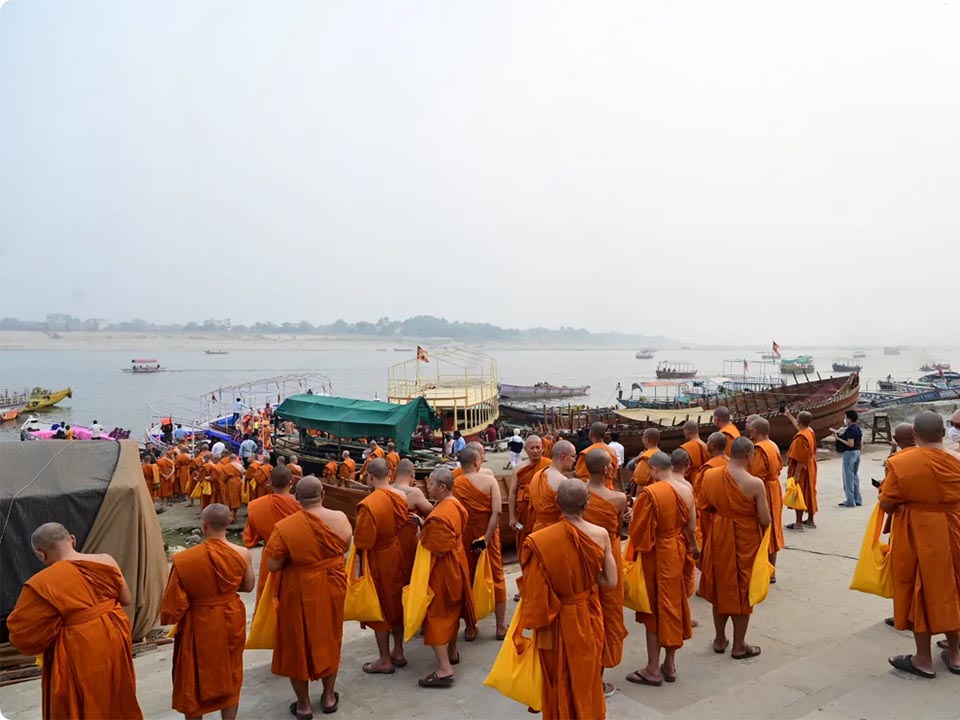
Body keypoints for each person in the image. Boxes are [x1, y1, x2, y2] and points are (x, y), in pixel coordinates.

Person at [7, 523, 143, 720]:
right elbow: (126, 599)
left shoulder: (41, 583)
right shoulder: (106, 561)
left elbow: (20, 634)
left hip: (79, 646)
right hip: (113, 638)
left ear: (41, 554)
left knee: (85, 699)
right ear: (73, 539)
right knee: (116, 692)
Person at [518, 479, 617, 720]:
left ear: (556, 503)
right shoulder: (600, 534)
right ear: (588, 504)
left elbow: (532, 590)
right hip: (587, 612)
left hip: (556, 619)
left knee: (558, 676)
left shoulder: (540, 540)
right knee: (587, 673)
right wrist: (586, 585)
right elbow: (611, 582)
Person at [879, 410, 960, 679]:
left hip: (918, 534)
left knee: (920, 590)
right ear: (945, 433)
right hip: (954, 531)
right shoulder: (957, 460)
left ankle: (923, 659)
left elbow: (887, 501)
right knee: (955, 587)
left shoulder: (902, 462)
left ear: (915, 434)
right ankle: (956, 654)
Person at [267, 476, 352, 717]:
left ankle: (303, 705)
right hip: (331, 585)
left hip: (299, 589)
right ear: (323, 493)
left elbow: (273, 565)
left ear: (296, 496)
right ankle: (328, 697)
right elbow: (344, 547)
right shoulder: (340, 518)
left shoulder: (285, 527)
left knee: (297, 644)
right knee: (330, 637)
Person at [161, 504, 254, 720]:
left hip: (199, 622)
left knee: (194, 674)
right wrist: (224, 590)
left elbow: (174, 606)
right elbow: (248, 586)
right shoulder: (242, 553)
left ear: (204, 526)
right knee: (231, 671)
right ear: (230, 522)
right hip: (231, 617)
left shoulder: (185, 560)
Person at [627, 452, 697, 686]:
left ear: (655, 470)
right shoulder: (686, 488)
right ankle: (670, 663)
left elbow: (639, 534)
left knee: (655, 610)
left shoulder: (651, 493)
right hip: (676, 549)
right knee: (673, 604)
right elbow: (691, 526)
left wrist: (631, 518)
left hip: (657, 553)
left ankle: (652, 669)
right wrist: (694, 549)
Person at [697, 438, 771, 659]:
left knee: (721, 587)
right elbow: (765, 519)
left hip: (719, 535)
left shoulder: (710, 475)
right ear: (749, 454)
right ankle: (739, 645)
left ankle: (720, 639)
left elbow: (705, 505)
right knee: (742, 590)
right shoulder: (755, 484)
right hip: (744, 539)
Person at [417, 468, 477, 688]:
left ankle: (444, 669)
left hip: (444, 569)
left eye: (431, 483)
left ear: (442, 487)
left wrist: (421, 535)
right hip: (458, 563)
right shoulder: (456, 505)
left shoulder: (440, 514)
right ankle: (452, 652)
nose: (428, 486)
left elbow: (438, 548)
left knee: (436, 614)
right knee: (452, 610)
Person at [354, 458, 410, 674]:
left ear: (369, 476)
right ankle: (398, 651)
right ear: (390, 474)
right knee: (397, 603)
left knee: (381, 609)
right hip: (397, 553)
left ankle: (384, 659)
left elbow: (363, 542)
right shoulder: (401, 496)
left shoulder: (369, 504)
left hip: (378, 558)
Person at [582, 449, 628, 697]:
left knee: (587, 615)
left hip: (583, 556)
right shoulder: (618, 498)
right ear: (608, 470)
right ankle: (597, 679)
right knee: (607, 615)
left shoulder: (578, 493)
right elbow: (618, 527)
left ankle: (584, 673)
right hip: (608, 555)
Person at [452, 446, 507, 640]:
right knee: (497, 576)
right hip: (487, 534)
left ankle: (470, 628)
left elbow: (453, 511)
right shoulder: (490, 480)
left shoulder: (456, 482)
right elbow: (497, 512)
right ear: (477, 462)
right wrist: (487, 538)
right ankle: (500, 627)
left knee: (467, 577)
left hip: (466, 536)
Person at [243, 464, 301, 607]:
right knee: (293, 602)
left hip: (270, 557)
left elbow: (249, 540)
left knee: (267, 600)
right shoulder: (300, 506)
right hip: (296, 557)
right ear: (291, 482)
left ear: (269, 482)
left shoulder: (256, 506)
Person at [748, 417, 785, 579]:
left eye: (751, 430)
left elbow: (755, 474)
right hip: (775, 488)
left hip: (764, 490)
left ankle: (763, 571)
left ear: (755, 431)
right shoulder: (773, 445)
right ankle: (772, 571)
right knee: (774, 528)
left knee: (762, 529)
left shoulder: (759, 449)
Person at [507, 434, 551, 556]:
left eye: (538, 447)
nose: (536, 451)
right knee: (525, 541)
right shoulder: (519, 468)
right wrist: (511, 516)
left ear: (543, 448)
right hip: (524, 510)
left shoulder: (549, 466)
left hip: (544, 510)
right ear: (526, 449)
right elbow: (512, 492)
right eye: (532, 448)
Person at [392, 458, 434, 580]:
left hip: (390, 541)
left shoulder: (387, 489)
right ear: (412, 474)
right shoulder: (414, 492)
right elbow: (433, 513)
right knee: (408, 574)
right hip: (408, 541)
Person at [529, 440, 577, 532]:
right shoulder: (563, 482)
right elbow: (572, 514)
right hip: (555, 530)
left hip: (536, 529)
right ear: (563, 457)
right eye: (573, 456)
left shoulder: (538, 474)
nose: (574, 460)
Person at [785, 410, 818, 530]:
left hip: (802, 468)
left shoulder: (800, 437)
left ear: (799, 421)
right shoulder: (809, 431)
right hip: (810, 466)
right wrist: (789, 415)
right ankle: (810, 520)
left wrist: (796, 474)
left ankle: (798, 523)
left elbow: (800, 458)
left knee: (799, 492)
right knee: (810, 491)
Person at [831, 409, 863, 507]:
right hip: (857, 452)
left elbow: (850, 444)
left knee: (848, 477)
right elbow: (861, 442)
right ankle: (857, 499)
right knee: (854, 476)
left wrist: (838, 438)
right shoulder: (857, 428)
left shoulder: (850, 429)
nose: (845, 420)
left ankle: (850, 500)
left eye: (845, 418)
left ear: (849, 419)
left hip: (849, 454)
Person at [575, 422, 619, 489]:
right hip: (608, 489)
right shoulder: (612, 451)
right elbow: (614, 475)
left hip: (592, 491)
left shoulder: (586, 452)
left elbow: (582, 476)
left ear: (590, 434)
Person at [629, 428, 661, 493]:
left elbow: (641, 482)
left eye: (643, 437)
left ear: (647, 439)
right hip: (659, 490)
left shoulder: (646, 457)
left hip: (648, 493)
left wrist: (638, 499)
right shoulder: (661, 454)